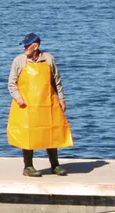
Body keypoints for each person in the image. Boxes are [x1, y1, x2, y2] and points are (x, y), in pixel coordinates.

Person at [7, 33, 72, 177]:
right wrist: (18, 98)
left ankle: (55, 165)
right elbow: (11, 83)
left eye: (27, 45)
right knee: (28, 135)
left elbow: (57, 81)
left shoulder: (48, 59)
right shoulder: (19, 61)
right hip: (27, 106)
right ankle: (28, 167)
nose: (24, 48)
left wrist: (61, 99)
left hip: (47, 103)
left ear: (35, 46)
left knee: (51, 132)